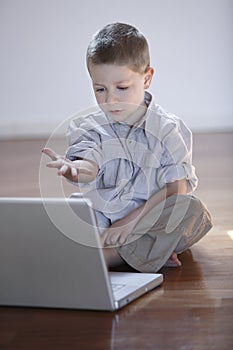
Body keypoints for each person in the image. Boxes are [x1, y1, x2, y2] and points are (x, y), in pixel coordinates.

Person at [42, 22, 212, 272]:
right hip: (106, 221)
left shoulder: (169, 129)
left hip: (149, 219)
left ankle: (112, 256)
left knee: (191, 210)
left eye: (122, 88)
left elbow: (177, 187)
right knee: (75, 207)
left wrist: (131, 222)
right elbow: (90, 161)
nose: (110, 100)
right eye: (100, 89)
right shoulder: (89, 126)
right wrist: (76, 169)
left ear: (147, 78)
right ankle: (150, 253)